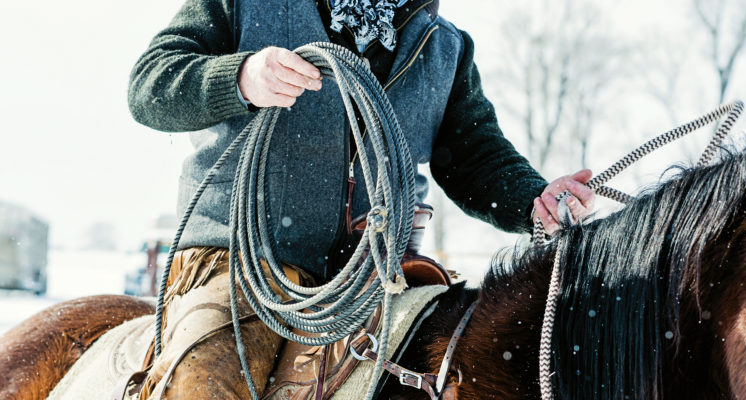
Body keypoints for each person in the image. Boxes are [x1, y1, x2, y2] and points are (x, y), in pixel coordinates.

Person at [128, 0, 595, 397]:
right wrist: (242, 76)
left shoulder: (442, 45)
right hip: (239, 267)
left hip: (380, 276)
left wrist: (534, 198)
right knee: (204, 381)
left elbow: (477, 157)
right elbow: (150, 84)